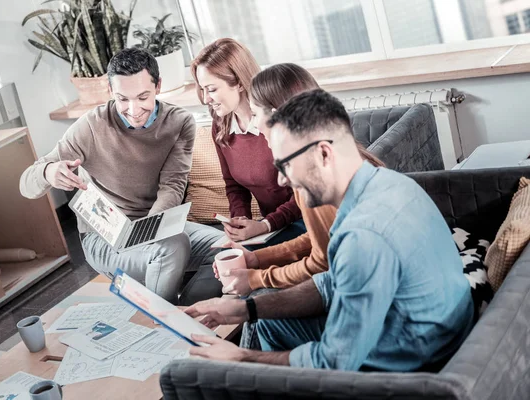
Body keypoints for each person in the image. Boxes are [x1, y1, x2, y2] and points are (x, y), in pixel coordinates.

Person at [185, 89, 475, 372]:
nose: (283, 180)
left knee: (243, 358)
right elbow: (333, 282)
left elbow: (333, 360)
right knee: (267, 322)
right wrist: (246, 310)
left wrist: (242, 357)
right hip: (436, 329)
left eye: (285, 164)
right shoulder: (389, 184)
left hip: (415, 358)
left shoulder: (363, 236)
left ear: (323, 153)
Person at [19, 47, 223, 304]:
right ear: (109, 90)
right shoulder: (92, 125)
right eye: (122, 98)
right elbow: (26, 184)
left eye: (142, 97)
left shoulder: (179, 122)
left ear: (158, 86)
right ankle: (165, 326)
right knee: (174, 247)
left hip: (154, 224)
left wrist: (150, 232)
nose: (133, 109)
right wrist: (49, 172)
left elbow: (173, 185)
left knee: (227, 248)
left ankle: (183, 315)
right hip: (105, 239)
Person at [190, 38, 305, 244]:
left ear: (240, 83)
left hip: (303, 220)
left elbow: (307, 190)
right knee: (230, 261)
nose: (206, 98)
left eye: (212, 89)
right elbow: (234, 185)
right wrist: (240, 220)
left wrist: (265, 225)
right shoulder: (220, 126)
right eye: (202, 89)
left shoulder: (276, 119)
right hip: (270, 228)